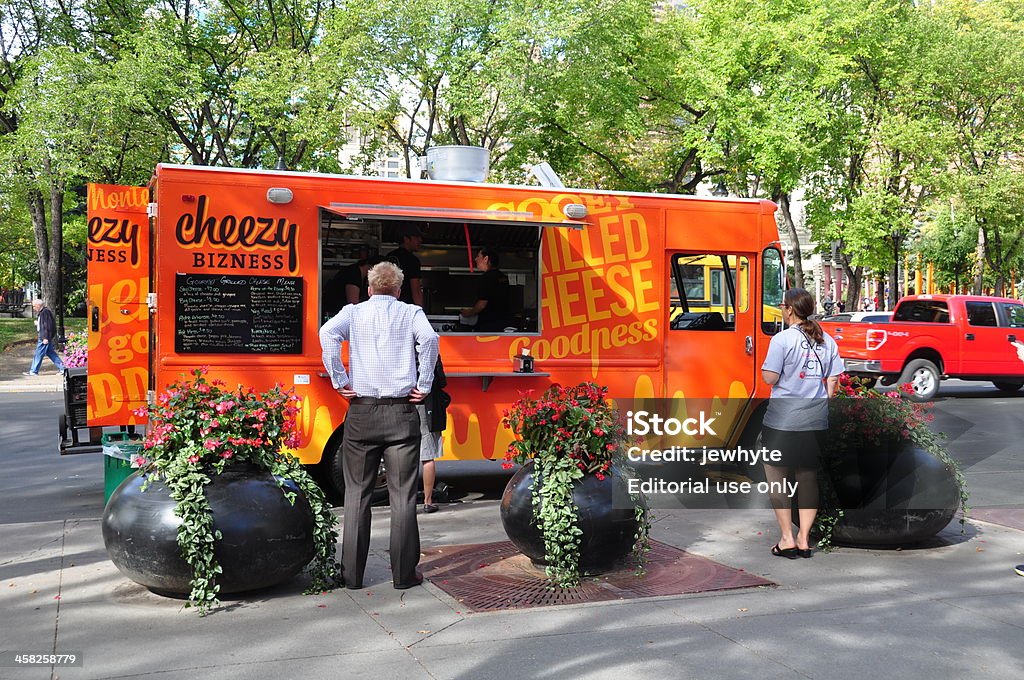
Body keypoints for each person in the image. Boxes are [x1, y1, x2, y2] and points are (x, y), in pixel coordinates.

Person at [319, 261, 440, 590]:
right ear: (399, 290)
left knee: (356, 496)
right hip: (402, 412)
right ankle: (403, 576)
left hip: (362, 412)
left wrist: (339, 379)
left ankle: (352, 576)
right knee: (403, 497)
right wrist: (425, 383)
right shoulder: (411, 313)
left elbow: (326, 333)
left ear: (369, 289)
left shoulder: (353, 313)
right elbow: (430, 341)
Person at [760, 287, 843, 559]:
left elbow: (770, 378)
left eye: (782, 305)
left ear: (789, 309)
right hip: (815, 420)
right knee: (807, 477)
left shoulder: (782, 340)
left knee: (777, 477)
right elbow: (834, 382)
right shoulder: (827, 340)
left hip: (783, 420)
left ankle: (786, 538)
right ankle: (804, 539)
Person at [419, 355, 451, 513]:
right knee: (427, 456)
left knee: (403, 456)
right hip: (426, 407)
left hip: (402, 406)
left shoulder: (399, 344)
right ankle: (428, 501)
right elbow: (442, 380)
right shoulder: (428, 346)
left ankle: (404, 502)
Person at [460, 247, 511, 332]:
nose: (475, 259)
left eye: (478, 256)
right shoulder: (502, 276)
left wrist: (469, 313)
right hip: (504, 324)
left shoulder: (485, 278)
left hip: (489, 326)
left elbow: (482, 304)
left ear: (486, 259)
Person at [23, 299, 65, 376]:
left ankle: (34, 371)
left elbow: (47, 326)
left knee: (38, 354)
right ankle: (63, 368)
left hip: (44, 337)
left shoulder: (44, 313)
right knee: (51, 353)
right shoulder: (44, 312)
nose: (34, 308)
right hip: (45, 337)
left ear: (38, 305)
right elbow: (44, 325)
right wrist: (38, 323)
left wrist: (45, 338)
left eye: (34, 306)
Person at [386, 225, 424, 306]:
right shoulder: (412, 260)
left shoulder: (389, 256)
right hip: (406, 307)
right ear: (406, 239)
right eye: (417, 237)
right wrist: (420, 312)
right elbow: (416, 290)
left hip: (387, 305)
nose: (420, 240)